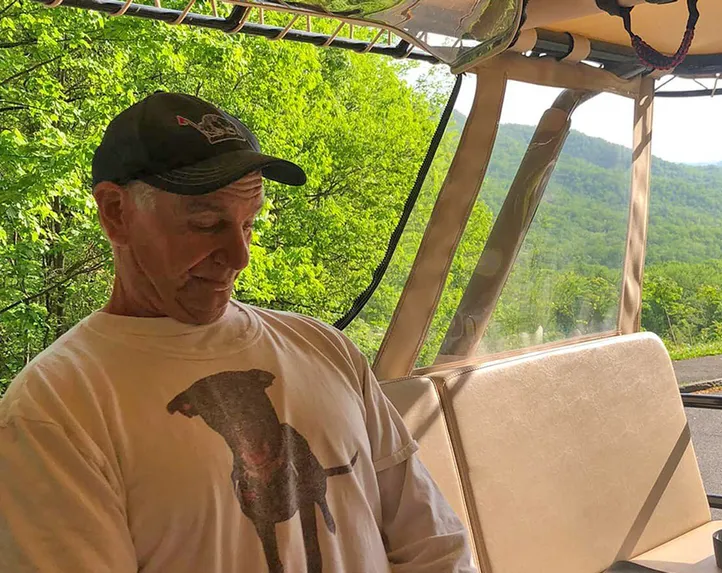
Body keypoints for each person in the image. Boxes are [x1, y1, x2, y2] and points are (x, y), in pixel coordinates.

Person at [0, 92, 476, 573]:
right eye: (206, 223)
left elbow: (433, 543)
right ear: (116, 213)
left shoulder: (324, 347)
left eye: (248, 223)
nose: (240, 256)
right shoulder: (56, 405)